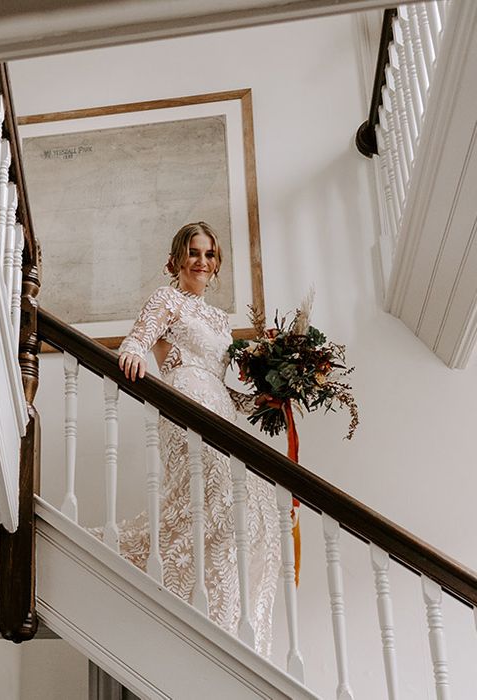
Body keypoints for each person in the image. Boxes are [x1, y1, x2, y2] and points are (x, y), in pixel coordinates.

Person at [116, 221, 280, 657]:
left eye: (209, 255)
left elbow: (220, 381)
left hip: (219, 406)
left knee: (256, 503)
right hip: (186, 401)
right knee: (223, 497)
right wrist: (134, 353)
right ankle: (196, 609)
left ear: (217, 263)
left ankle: (223, 617)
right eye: (194, 252)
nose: (201, 262)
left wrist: (261, 402)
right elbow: (137, 339)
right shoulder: (166, 299)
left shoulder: (220, 320)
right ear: (177, 258)